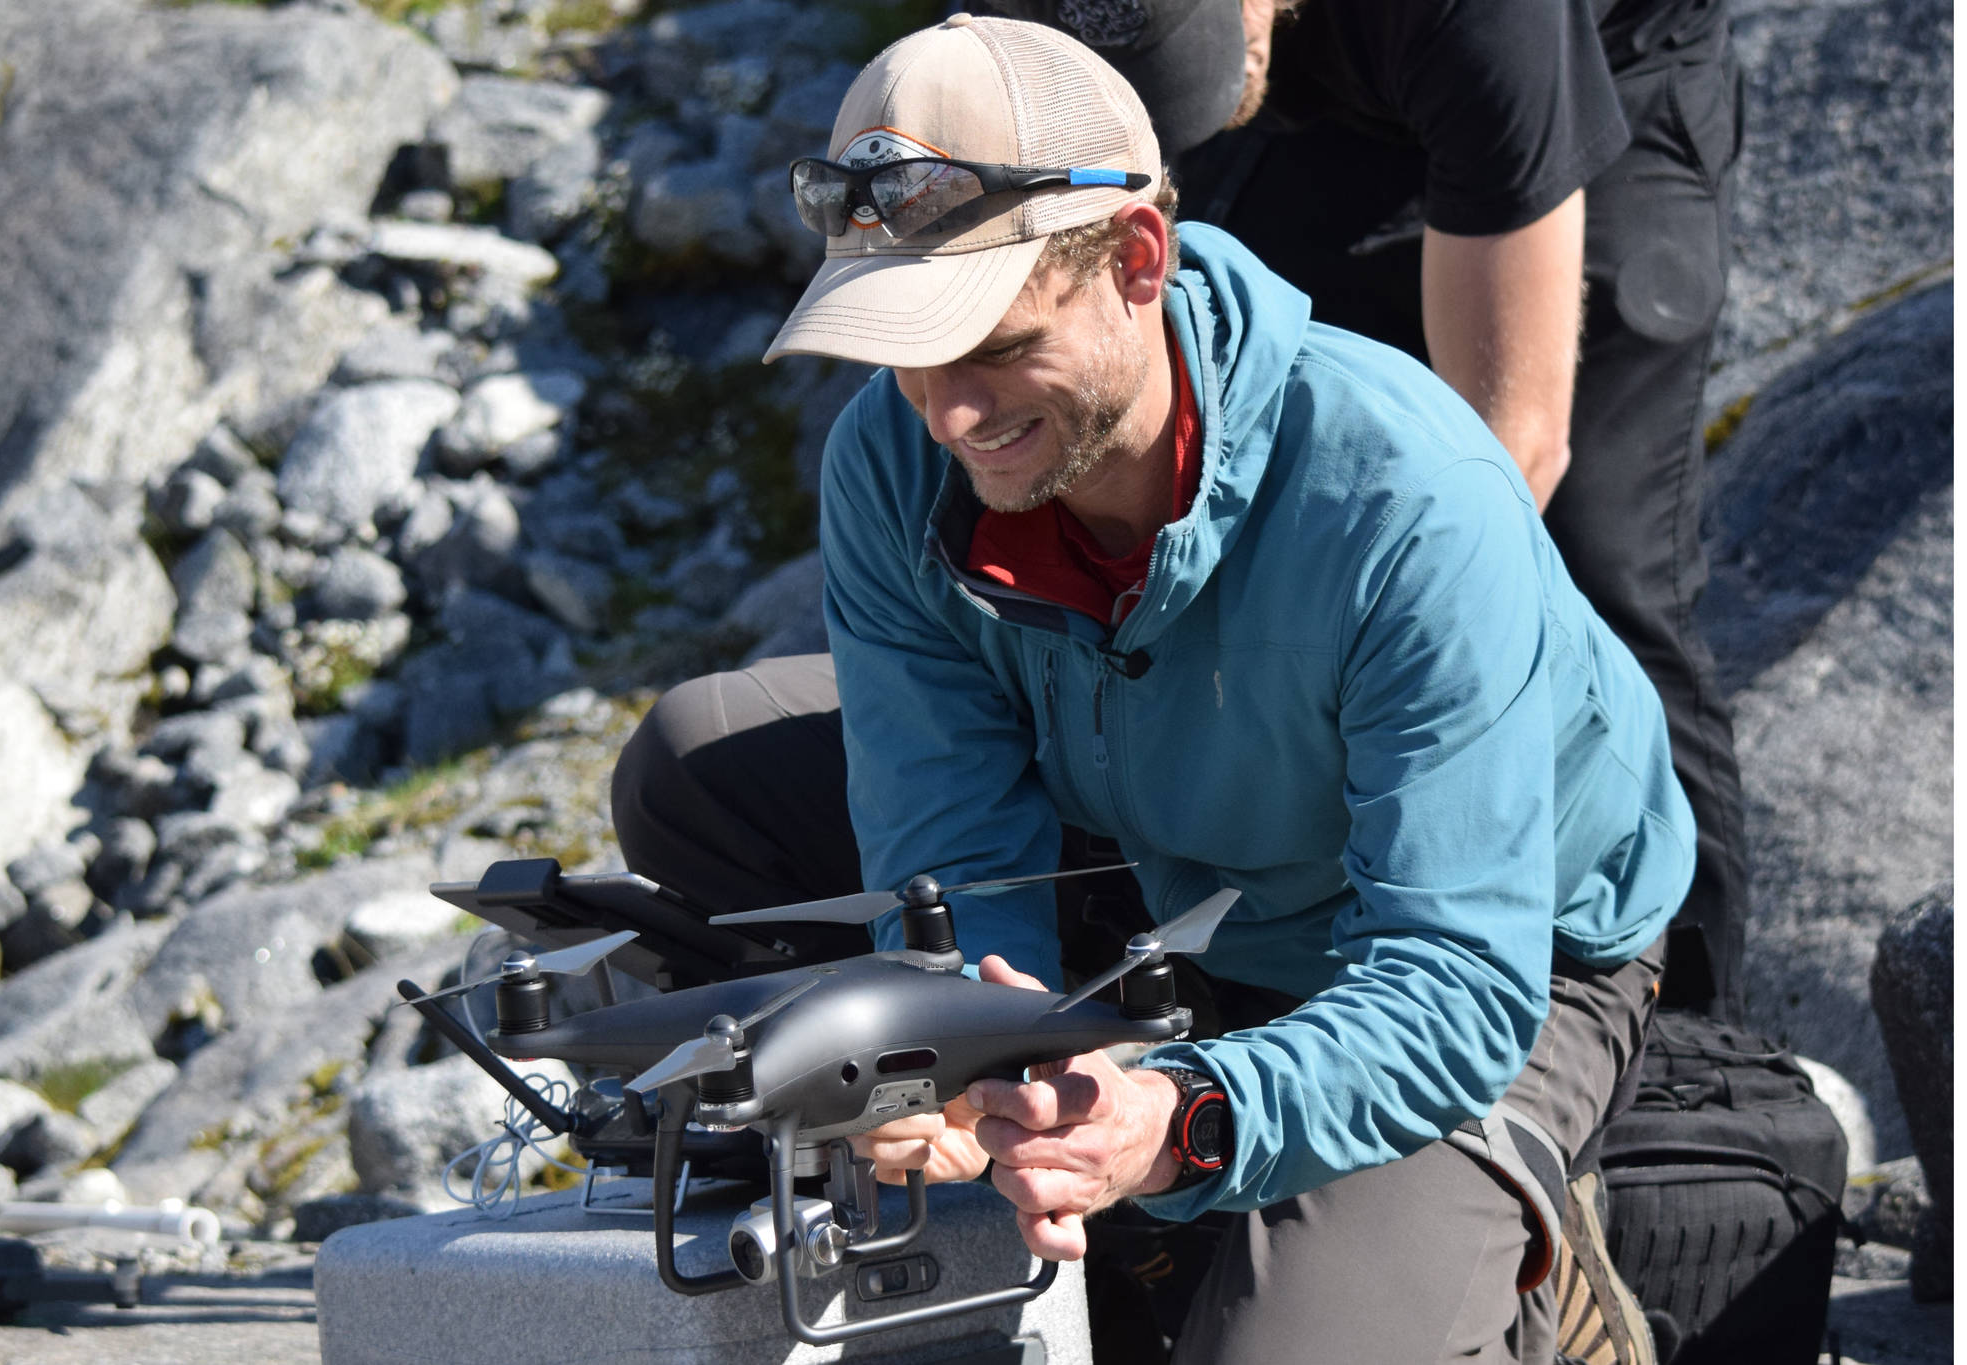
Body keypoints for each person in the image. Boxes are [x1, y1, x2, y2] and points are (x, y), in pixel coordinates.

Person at [609, 15, 1690, 1362]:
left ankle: (1533, 1271)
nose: (948, 411)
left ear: (1134, 260)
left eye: (992, 341)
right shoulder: (896, 464)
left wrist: (1170, 1118)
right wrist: (973, 1066)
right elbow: (949, 840)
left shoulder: (1406, 501)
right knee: (700, 758)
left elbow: (1453, 976)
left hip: (1494, 954)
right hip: (1177, 860)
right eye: (904, 346)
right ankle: (1170, 1192)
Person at [994, 0, 1750, 1021]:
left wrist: (1339, 643)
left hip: (1588, 73)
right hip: (1326, 94)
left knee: (1587, 574)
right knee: (1221, 409)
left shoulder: (1480, 24)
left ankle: (1689, 1036)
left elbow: (1507, 455)